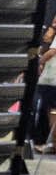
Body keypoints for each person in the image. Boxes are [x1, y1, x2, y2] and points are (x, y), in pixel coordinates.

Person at [34, 18, 56, 150]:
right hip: (49, 79)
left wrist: (39, 62)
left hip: (51, 79)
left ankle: (49, 143)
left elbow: (52, 52)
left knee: (49, 111)